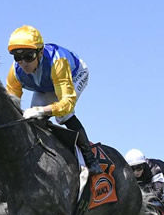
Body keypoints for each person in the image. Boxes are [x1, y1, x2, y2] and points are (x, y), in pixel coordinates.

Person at [6, 25, 102, 175]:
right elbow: (10, 106)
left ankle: (90, 158)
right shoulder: (15, 72)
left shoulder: (58, 63)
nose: (23, 63)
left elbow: (67, 104)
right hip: (47, 85)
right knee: (33, 122)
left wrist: (42, 110)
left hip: (74, 75)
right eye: (18, 57)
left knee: (62, 115)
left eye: (28, 56)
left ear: (40, 52)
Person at [124, 148, 164, 215]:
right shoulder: (126, 174)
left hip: (163, 186)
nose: (136, 172)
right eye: (132, 169)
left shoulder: (154, 169)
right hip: (144, 188)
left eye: (139, 168)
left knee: (162, 197)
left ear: (144, 165)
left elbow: (159, 193)